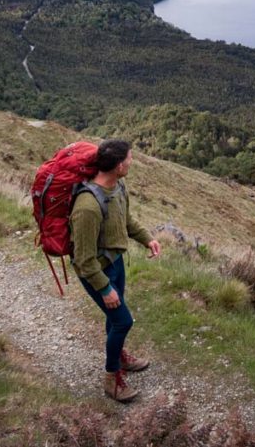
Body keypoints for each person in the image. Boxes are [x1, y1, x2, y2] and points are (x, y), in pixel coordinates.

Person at [70, 138, 161, 402]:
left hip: (115, 263)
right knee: (123, 320)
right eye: (130, 159)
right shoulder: (87, 207)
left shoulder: (118, 188)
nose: (132, 162)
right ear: (119, 165)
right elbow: (84, 260)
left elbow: (126, 220)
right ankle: (112, 378)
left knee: (114, 319)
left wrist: (147, 238)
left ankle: (118, 355)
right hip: (97, 272)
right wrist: (104, 287)